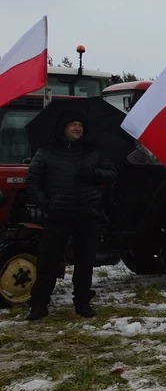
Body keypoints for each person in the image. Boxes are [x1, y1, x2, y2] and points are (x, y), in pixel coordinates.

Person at [25, 109, 117, 321]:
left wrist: (92, 173)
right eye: (73, 125)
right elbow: (33, 180)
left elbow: (112, 173)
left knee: (85, 262)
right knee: (48, 261)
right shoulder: (47, 151)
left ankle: (82, 303)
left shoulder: (93, 151)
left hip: (87, 215)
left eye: (80, 125)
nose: (78, 128)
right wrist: (47, 204)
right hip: (58, 215)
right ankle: (39, 305)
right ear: (63, 128)